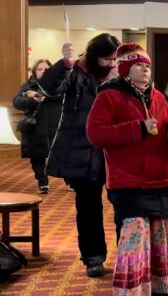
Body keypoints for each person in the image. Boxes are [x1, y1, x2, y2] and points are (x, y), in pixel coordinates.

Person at [86, 44, 168, 296]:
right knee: (135, 237)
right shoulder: (109, 97)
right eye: (139, 64)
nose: (145, 69)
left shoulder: (159, 97)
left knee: (161, 233)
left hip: (161, 176)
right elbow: (95, 133)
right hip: (127, 179)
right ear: (126, 69)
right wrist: (138, 128)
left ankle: (159, 286)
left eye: (148, 65)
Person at [38, 33, 119, 278]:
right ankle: (93, 258)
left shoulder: (121, 74)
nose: (112, 64)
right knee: (88, 206)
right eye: (107, 59)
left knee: (124, 205)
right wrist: (65, 63)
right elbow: (49, 88)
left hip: (115, 148)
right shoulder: (77, 71)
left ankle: (128, 255)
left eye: (116, 59)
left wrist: (119, 82)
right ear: (94, 57)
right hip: (82, 149)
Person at [13, 59, 63, 194]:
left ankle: (70, 181)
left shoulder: (59, 85)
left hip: (57, 126)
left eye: (46, 69)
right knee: (37, 156)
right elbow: (17, 102)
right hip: (35, 128)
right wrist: (31, 99)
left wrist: (45, 98)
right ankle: (42, 182)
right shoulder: (28, 86)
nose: (43, 72)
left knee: (62, 155)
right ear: (34, 71)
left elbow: (66, 97)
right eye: (40, 69)